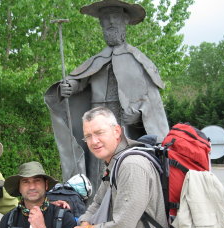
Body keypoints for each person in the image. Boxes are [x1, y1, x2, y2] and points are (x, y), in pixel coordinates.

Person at [44, 0, 169, 197]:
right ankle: (94, 203)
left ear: (124, 23)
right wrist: (69, 87)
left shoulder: (138, 61)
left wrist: (138, 115)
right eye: (105, 20)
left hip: (122, 124)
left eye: (115, 19)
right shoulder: (97, 60)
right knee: (97, 167)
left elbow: (151, 101)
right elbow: (81, 81)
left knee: (125, 164)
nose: (110, 23)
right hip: (96, 121)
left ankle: (127, 202)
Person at [70, 107, 171, 228]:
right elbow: (98, 202)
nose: (94, 141)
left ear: (117, 131)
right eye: (88, 136)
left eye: (99, 133)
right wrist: (83, 225)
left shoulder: (131, 165)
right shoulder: (116, 162)